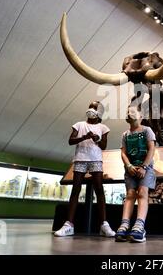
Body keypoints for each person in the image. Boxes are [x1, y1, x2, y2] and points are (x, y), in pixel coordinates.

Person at [54, 101, 115, 237]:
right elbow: (71, 141)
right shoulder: (79, 124)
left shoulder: (103, 127)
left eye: (94, 108)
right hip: (80, 159)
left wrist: (97, 139)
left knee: (99, 190)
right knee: (75, 190)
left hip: (95, 159)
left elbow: (104, 146)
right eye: (90, 106)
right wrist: (84, 137)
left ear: (99, 112)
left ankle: (104, 224)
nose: (90, 109)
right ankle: (69, 224)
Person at [115, 106, 156, 243]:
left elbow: (151, 149)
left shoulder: (147, 130)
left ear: (141, 116)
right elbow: (123, 153)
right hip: (130, 169)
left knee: (142, 193)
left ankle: (139, 225)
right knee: (130, 195)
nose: (129, 113)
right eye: (127, 111)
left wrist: (144, 166)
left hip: (146, 168)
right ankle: (125, 224)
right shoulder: (125, 134)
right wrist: (129, 165)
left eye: (133, 111)